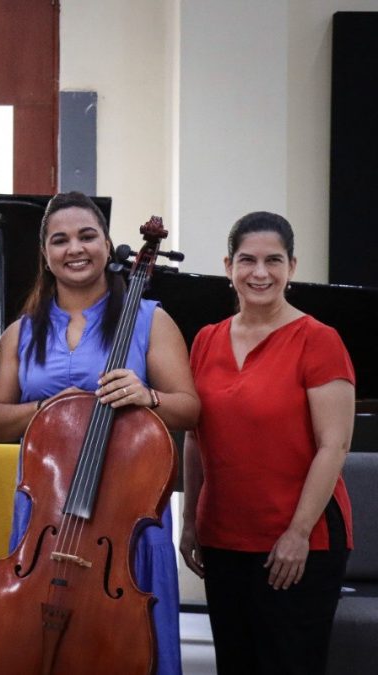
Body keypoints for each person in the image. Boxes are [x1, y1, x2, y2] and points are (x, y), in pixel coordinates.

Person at [0, 191, 200, 675]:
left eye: (87, 236)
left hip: (124, 521)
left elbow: (191, 409)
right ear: (46, 255)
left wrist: (148, 396)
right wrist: (54, 410)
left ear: (107, 242)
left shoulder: (148, 320)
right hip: (46, 523)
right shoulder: (20, 333)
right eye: (60, 240)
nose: (74, 248)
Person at [179, 211, 355, 675]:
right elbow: (195, 439)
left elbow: (334, 446)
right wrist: (190, 521)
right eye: (247, 260)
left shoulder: (319, 340)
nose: (260, 273)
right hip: (223, 537)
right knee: (236, 665)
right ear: (228, 266)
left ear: (292, 267)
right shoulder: (205, 340)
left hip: (301, 541)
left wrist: (297, 534)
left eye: (274, 260)